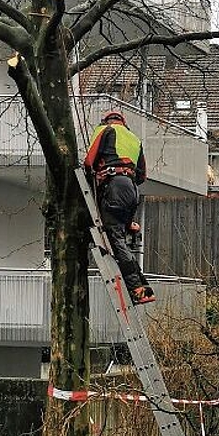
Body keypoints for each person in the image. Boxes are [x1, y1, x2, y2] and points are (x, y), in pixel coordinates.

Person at [83, 109, 155, 305]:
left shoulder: (105, 130)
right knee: (120, 240)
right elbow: (141, 176)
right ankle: (143, 287)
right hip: (131, 191)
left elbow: (88, 162)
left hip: (113, 187)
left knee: (115, 241)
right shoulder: (134, 138)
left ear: (107, 120)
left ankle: (137, 290)